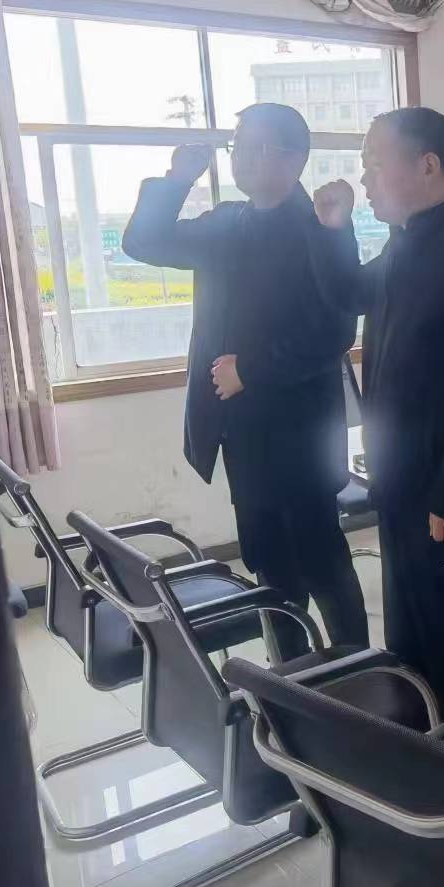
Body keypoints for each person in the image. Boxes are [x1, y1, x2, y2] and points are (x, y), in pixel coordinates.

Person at [306, 106, 444, 781]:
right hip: (403, 485)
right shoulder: (406, 243)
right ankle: (431, 773)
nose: (365, 178)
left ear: (428, 165)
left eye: (376, 163)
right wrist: (333, 230)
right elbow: (349, 292)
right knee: (410, 638)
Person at [122, 103, 364, 660]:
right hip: (241, 428)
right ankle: (292, 676)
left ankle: (358, 670)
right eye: (238, 146)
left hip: (301, 428)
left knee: (321, 559)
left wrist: (249, 370)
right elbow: (143, 243)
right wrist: (177, 180)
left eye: (257, 147)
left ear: (294, 159)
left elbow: (333, 332)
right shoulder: (226, 222)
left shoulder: (319, 227)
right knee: (267, 560)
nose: (242, 158)